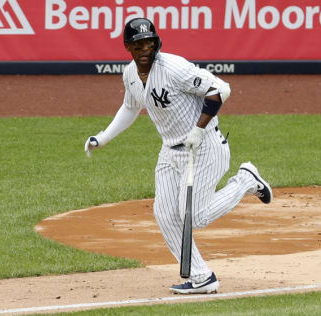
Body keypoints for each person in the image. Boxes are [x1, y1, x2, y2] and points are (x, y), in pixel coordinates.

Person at [84, 18, 272, 294]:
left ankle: (245, 180)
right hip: (169, 153)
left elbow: (220, 89)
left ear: (156, 42)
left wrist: (198, 129)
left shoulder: (174, 68)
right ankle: (201, 277)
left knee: (194, 216)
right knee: (164, 214)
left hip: (205, 147)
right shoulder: (130, 75)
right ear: (128, 47)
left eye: (149, 41)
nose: (145, 48)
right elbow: (130, 107)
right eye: (138, 44)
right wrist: (102, 137)